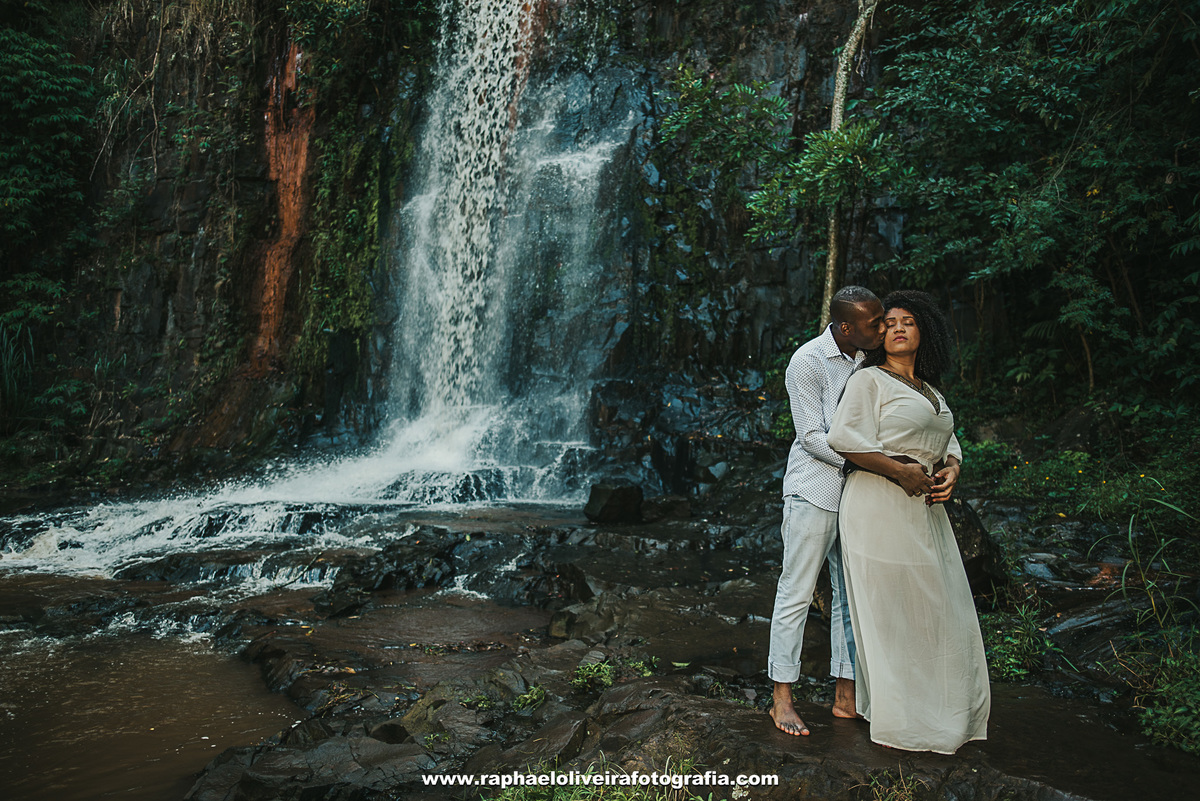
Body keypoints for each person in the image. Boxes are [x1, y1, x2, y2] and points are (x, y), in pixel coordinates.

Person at [826, 290, 990, 754]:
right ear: (878, 335)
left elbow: (949, 442)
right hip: (879, 504)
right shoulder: (868, 381)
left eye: (909, 322)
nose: (898, 328)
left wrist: (952, 471)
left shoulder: (931, 391)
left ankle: (943, 709)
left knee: (940, 611)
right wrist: (899, 470)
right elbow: (842, 438)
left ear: (925, 333)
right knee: (895, 612)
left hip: (925, 513)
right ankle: (907, 719)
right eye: (890, 322)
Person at [768, 286, 885, 737]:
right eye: (873, 323)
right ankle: (780, 700)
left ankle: (844, 694)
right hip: (814, 491)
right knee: (796, 593)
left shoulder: (867, 358)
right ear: (844, 327)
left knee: (849, 596)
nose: (881, 328)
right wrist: (871, 463)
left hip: (859, 497)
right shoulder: (808, 361)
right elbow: (812, 437)